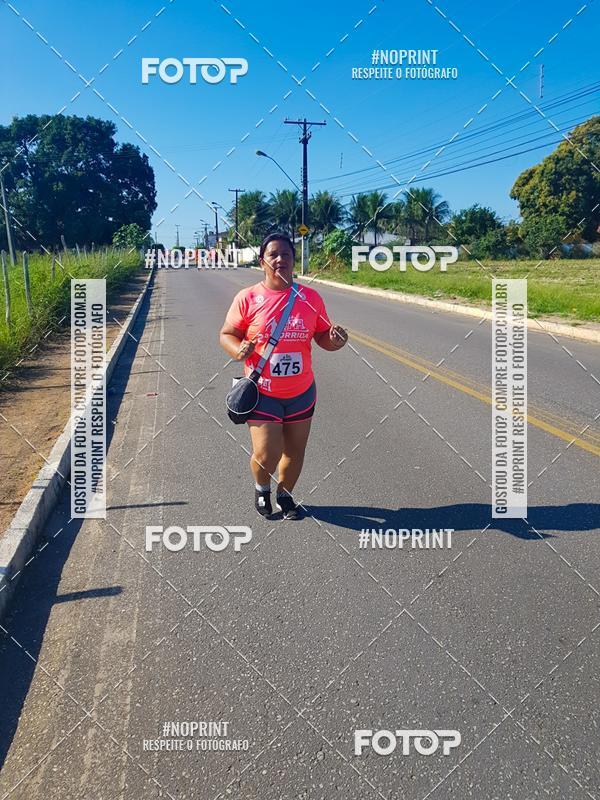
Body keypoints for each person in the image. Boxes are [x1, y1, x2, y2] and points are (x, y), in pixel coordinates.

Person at [219, 232, 348, 520]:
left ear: (294, 261)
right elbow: (227, 334)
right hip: (262, 393)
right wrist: (238, 349)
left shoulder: (310, 298)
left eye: (286, 254)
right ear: (262, 261)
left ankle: (285, 494)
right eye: (273, 254)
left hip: (301, 392)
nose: (280, 259)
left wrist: (335, 340)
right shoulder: (248, 298)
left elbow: (322, 337)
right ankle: (262, 487)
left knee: (295, 452)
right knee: (267, 454)